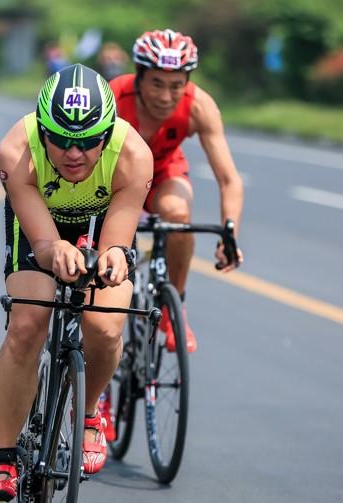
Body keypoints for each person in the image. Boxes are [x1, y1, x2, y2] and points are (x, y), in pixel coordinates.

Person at [0, 64, 153, 503]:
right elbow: (40, 242)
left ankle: (90, 412)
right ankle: (2, 459)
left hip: (101, 224)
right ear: (41, 130)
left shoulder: (133, 155)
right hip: (41, 225)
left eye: (89, 141)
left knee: (107, 322)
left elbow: (117, 244)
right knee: (28, 321)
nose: (74, 153)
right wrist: (53, 249)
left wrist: (113, 257)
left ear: (108, 133)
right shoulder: (15, 151)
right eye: (59, 140)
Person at [109, 28, 244, 355]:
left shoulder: (200, 106)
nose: (166, 97)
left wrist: (230, 233)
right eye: (157, 83)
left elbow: (229, 179)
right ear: (138, 77)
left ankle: (173, 309)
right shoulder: (113, 97)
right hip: (114, 178)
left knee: (179, 216)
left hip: (163, 171)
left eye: (176, 86)